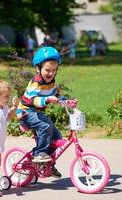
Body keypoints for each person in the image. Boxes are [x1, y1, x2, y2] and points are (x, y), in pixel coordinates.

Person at [16, 47, 77, 178]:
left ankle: (48, 164)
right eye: (47, 70)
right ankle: (39, 153)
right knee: (46, 126)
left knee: (57, 136)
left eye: (54, 70)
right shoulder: (36, 82)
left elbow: (55, 94)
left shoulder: (51, 82)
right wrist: (46, 99)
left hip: (38, 114)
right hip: (26, 113)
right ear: (38, 68)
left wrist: (67, 101)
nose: (51, 73)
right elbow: (30, 99)